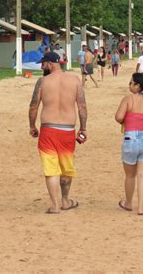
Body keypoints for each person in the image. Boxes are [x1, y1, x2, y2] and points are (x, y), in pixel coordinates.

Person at [28, 52, 88, 214]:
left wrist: (32, 126)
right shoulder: (75, 80)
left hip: (48, 129)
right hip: (67, 130)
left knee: (51, 169)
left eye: (43, 63)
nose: (41, 67)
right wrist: (83, 128)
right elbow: (81, 106)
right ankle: (65, 201)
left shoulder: (43, 82)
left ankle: (55, 206)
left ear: (50, 64)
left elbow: (34, 106)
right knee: (66, 168)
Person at [115, 73, 143, 215]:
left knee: (130, 175)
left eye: (131, 83)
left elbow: (118, 117)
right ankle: (141, 207)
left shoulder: (128, 99)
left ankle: (128, 202)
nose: (129, 85)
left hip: (130, 138)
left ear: (138, 85)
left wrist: (127, 119)